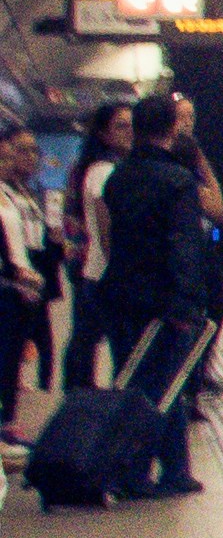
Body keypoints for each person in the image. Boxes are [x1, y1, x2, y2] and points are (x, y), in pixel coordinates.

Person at [89, 98, 216, 497]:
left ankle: (150, 469)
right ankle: (149, 471)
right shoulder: (178, 181)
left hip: (120, 295)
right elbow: (185, 247)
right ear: (172, 130)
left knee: (135, 383)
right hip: (164, 303)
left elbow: (110, 240)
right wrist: (188, 304)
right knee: (167, 386)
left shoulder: (117, 178)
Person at [59, 102, 136, 391]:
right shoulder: (103, 172)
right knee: (114, 350)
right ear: (103, 133)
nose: (130, 132)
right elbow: (107, 233)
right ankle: (90, 410)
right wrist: (122, 274)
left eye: (132, 125)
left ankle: (79, 404)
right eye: (121, 125)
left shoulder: (104, 169)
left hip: (97, 274)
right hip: (104, 275)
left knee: (87, 341)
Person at [0, 136, 52, 432]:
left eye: (8, 159)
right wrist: (15, 272)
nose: (6, 165)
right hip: (9, 283)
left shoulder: (9, 196)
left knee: (10, 357)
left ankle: (7, 422)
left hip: (21, 285)